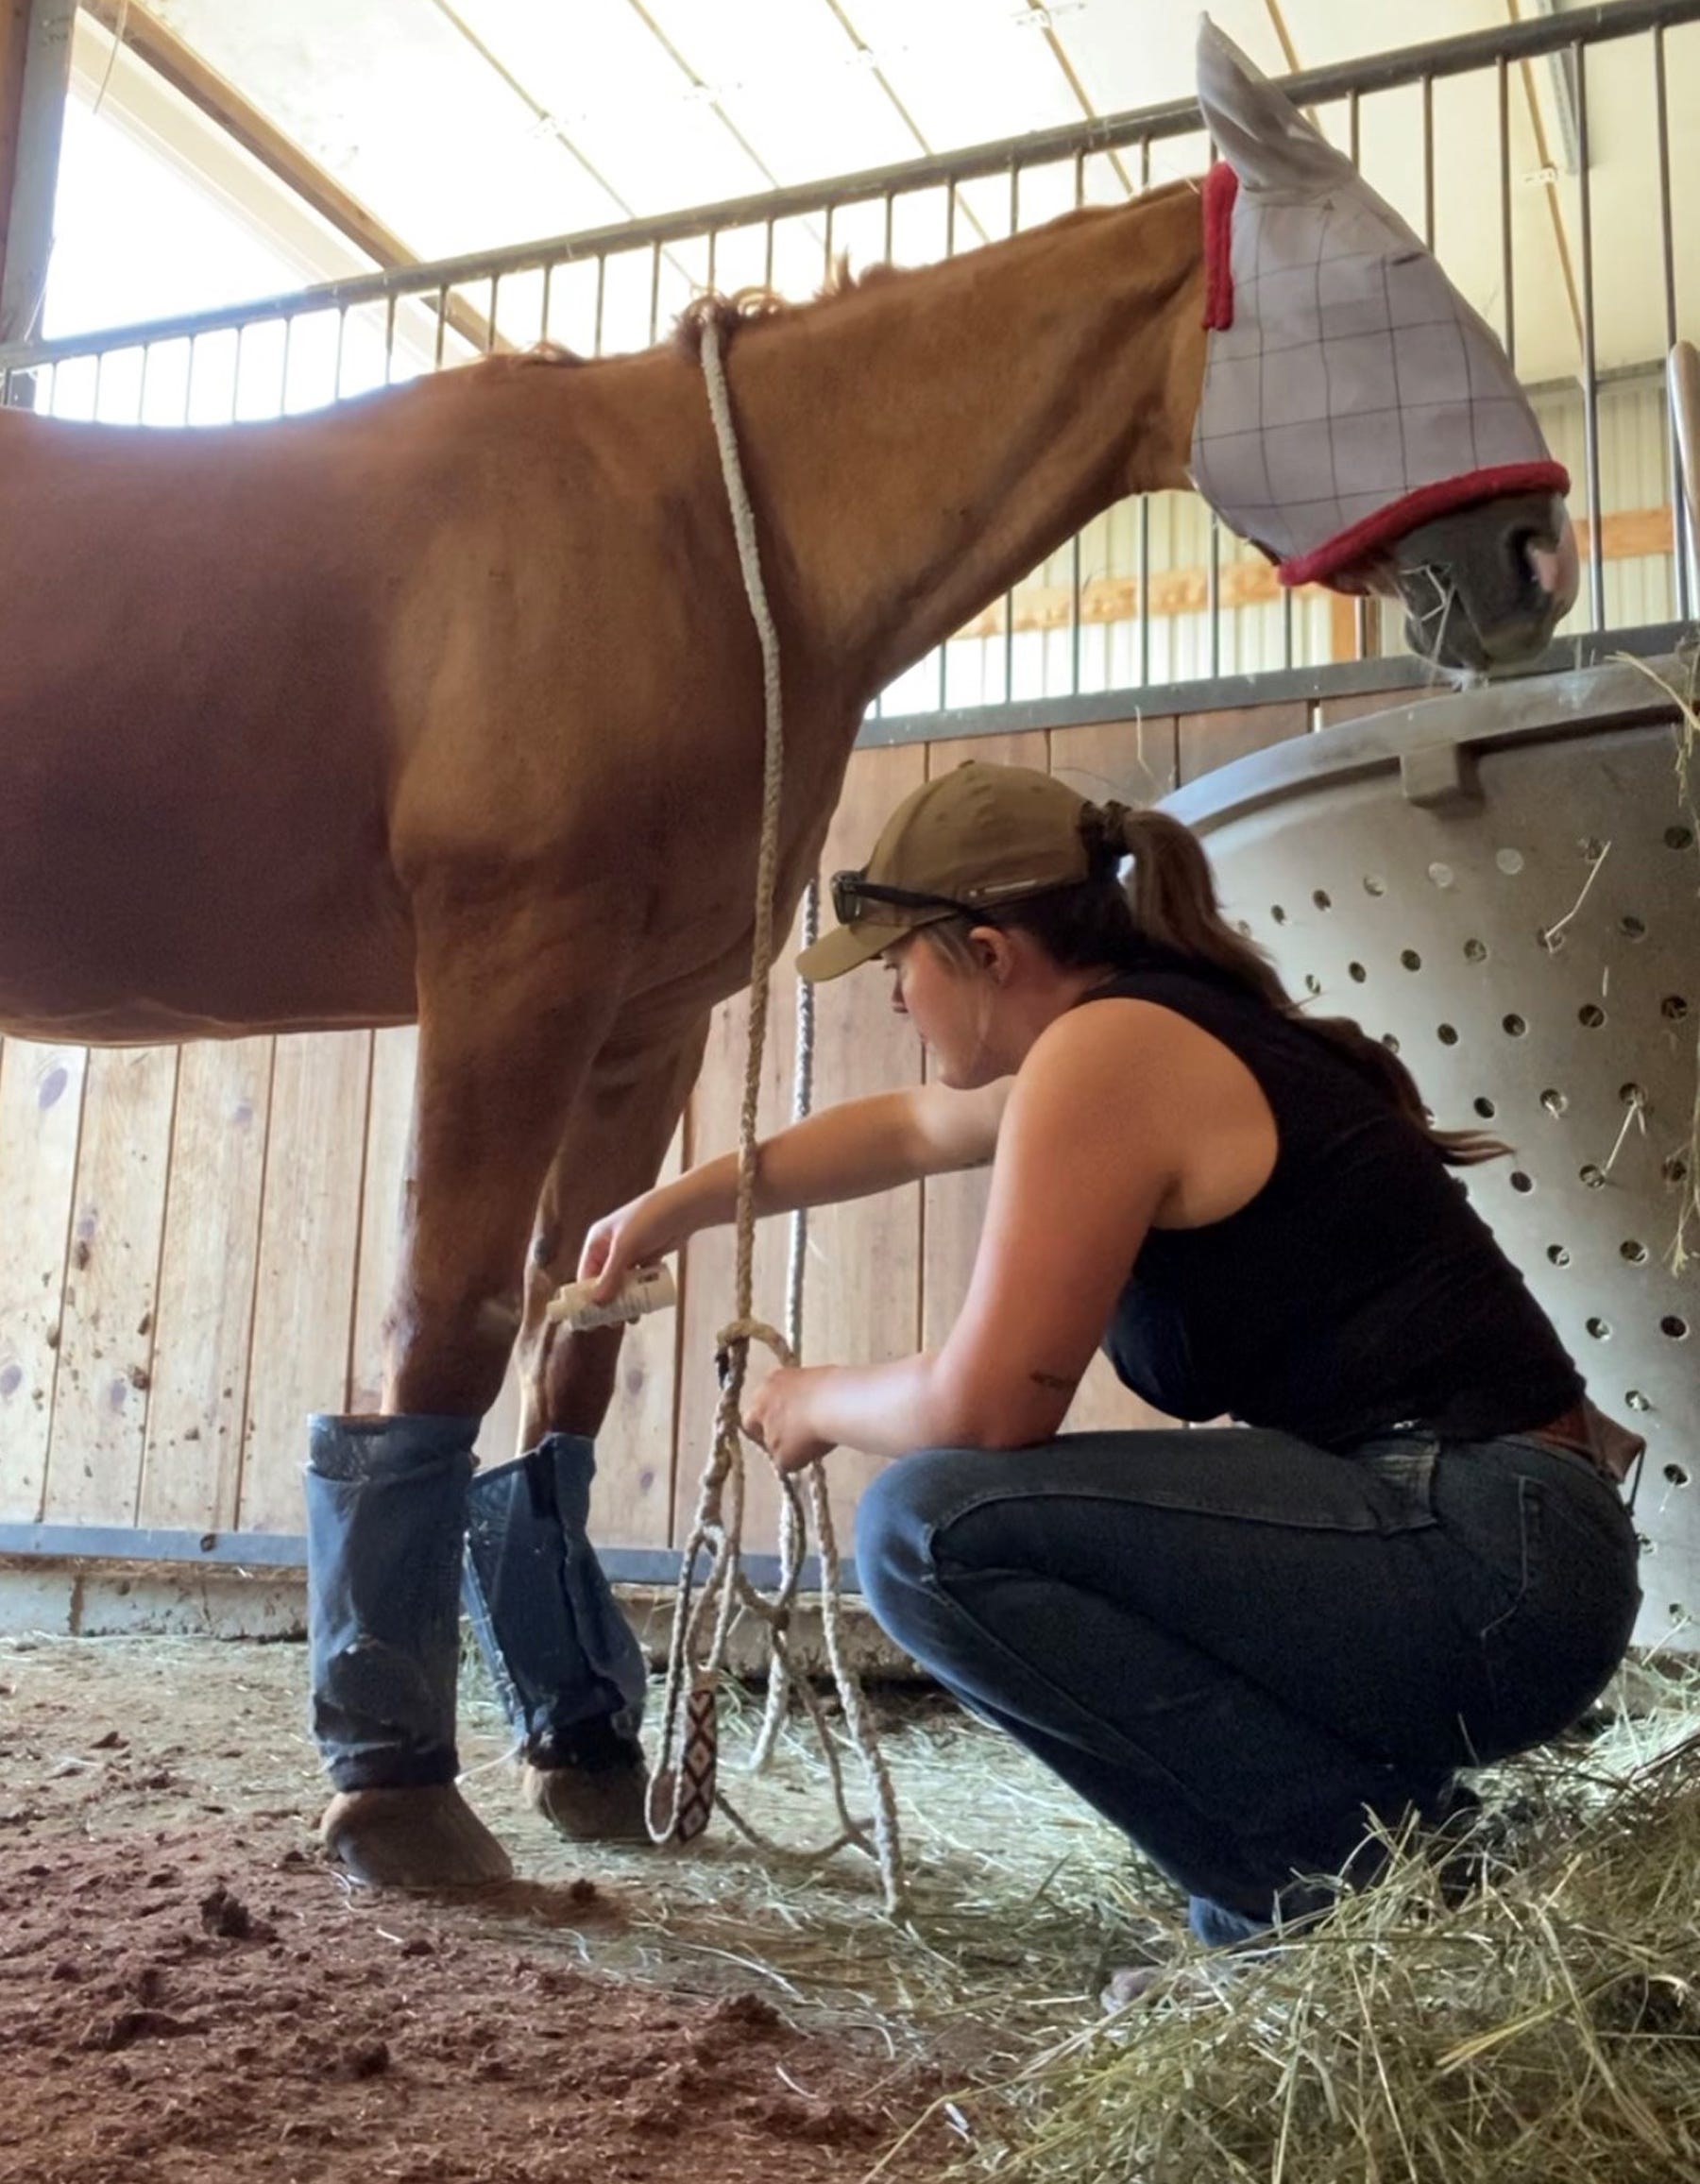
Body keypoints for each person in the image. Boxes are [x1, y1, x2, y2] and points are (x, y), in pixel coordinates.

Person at [578, 759, 1643, 1948]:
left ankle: (1334, 1888)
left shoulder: (1112, 1055)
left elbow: (988, 1409)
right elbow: (908, 1127)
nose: (892, 993)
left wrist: (814, 1396)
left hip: (1487, 1561)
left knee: (929, 1529)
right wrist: (675, 1203)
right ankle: (1366, 1861)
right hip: (1504, 1548)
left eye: (897, 961)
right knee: (961, 1519)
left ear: (988, 953)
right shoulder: (1137, 1033)